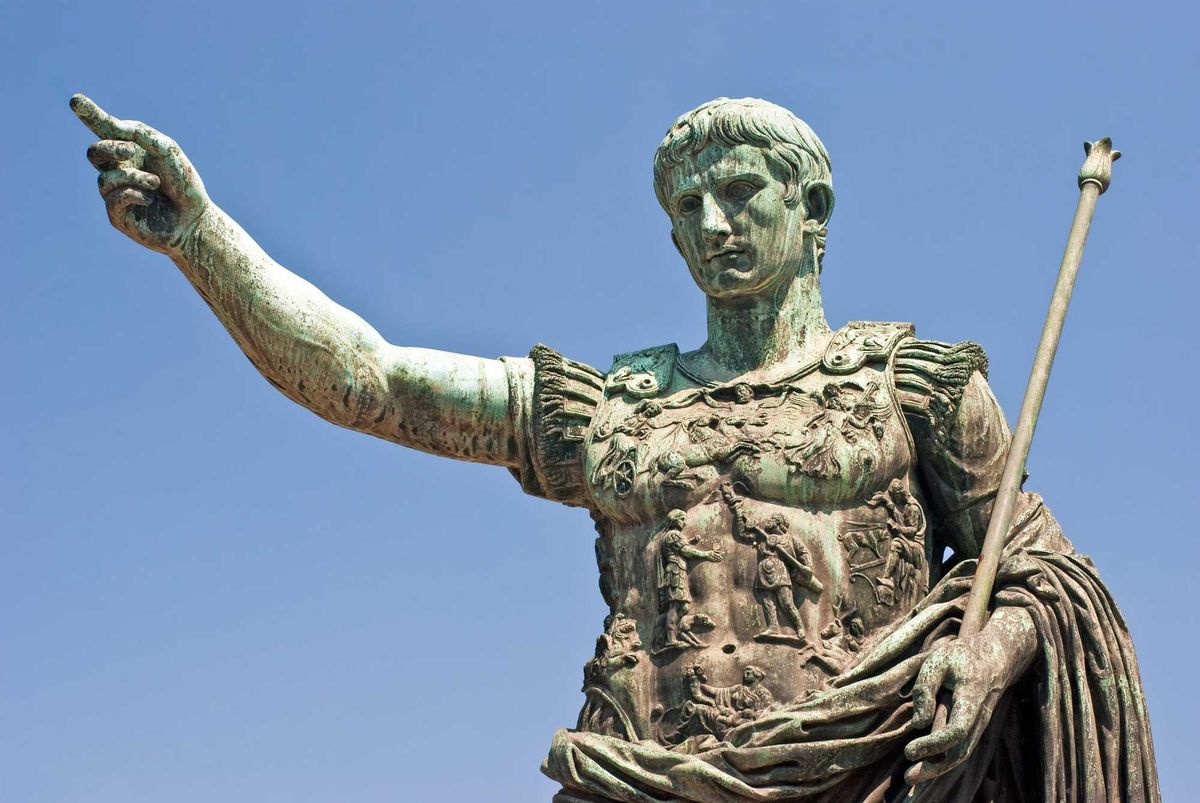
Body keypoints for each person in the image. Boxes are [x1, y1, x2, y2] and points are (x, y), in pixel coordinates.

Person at [72, 94, 1158, 801]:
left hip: (860, 769)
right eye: (689, 205)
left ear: (812, 204)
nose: (713, 223)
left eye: (741, 192)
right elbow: (374, 381)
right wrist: (203, 238)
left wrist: (989, 652)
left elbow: (1044, 573)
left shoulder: (910, 386)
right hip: (636, 775)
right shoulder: (612, 406)